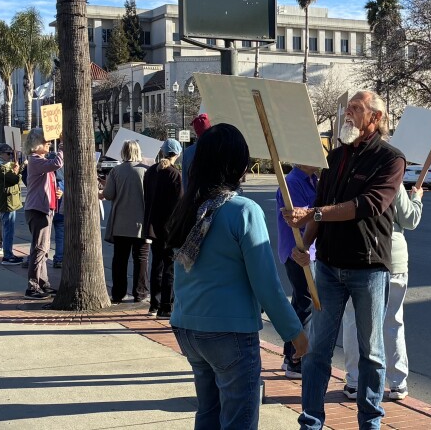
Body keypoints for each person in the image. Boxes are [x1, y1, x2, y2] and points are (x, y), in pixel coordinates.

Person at [165, 122, 308, 430]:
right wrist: (294, 333)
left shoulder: (188, 207)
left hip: (188, 324)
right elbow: (266, 284)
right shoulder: (243, 211)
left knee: (207, 413)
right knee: (238, 420)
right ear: (238, 164)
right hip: (229, 331)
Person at [286, 90, 405, 430]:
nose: (348, 114)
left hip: (367, 269)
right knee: (317, 351)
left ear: (375, 118)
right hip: (326, 266)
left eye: (357, 108)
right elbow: (322, 205)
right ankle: (311, 421)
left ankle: (370, 422)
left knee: (371, 353)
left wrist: (313, 214)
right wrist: (305, 245)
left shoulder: (391, 159)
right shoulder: (335, 157)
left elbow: (367, 205)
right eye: (348, 108)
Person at [341, 183, 423, 401]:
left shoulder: (351, 172)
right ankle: (397, 383)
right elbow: (410, 219)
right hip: (392, 258)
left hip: (356, 255)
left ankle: (354, 382)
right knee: (392, 322)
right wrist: (417, 198)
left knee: (353, 320)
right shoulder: (392, 176)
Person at [275, 163, 320, 379]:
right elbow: (300, 219)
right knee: (306, 303)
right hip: (299, 250)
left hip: (304, 249)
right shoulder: (293, 183)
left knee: (300, 302)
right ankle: (297, 360)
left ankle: (289, 355)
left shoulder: (311, 180)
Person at [103, 140, 149, 303]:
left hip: (120, 223)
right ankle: (140, 292)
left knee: (120, 259)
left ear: (123, 152)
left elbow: (108, 195)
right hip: (142, 223)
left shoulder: (116, 171)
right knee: (141, 258)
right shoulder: (146, 170)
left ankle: (118, 293)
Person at [144, 138, 184, 318]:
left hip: (153, 224)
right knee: (169, 267)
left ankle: (154, 303)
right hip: (170, 227)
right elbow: (180, 203)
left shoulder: (151, 171)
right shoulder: (175, 174)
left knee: (156, 265)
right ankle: (166, 307)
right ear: (177, 154)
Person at [22, 129, 63, 300]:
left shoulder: (40, 161)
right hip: (38, 209)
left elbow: (48, 180)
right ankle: (32, 287)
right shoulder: (35, 160)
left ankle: (43, 283)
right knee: (39, 249)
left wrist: (57, 191)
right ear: (36, 144)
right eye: (45, 141)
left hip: (44, 208)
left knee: (43, 249)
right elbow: (58, 163)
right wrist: (62, 145)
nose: (48, 144)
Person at [0, 144, 24, 265]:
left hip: (9, 201)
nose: (10, 156)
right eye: (8, 153)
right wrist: (18, 171)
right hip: (6, 201)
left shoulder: (2, 165)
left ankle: (9, 253)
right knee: (8, 229)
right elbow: (14, 179)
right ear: (0, 154)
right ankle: (7, 255)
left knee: (9, 228)